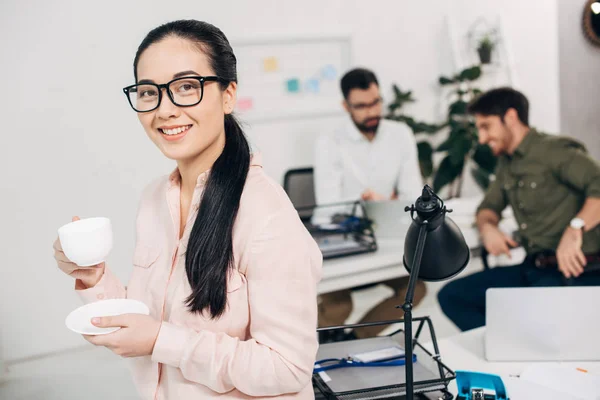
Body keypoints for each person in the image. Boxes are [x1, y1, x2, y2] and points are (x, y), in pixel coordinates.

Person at [53, 20, 322, 399]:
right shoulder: (153, 200)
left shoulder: (267, 216)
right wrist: (94, 276)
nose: (164, 110)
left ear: (228, 95)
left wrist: (162, 341)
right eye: (149, 92)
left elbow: (287, 368)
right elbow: (152, 317)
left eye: (185, 87)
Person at [438, 87, 600, 331]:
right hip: (534, 268)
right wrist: (488, 227)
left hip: (575, 273)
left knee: (538, 329)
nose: (481, 139)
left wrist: (575, 228)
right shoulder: (507, 163)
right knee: (453, 296)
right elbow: (488, 206)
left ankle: (523, 351)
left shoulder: (555, 151)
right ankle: (511, 350)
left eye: (486, 126)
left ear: (510, 118)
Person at [313, 68, 426, 340]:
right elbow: (328, 206)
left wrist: (385, 203)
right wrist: (363, 207)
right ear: (346, 106)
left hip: (386, 240)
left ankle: (354, 341)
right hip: (342, 239)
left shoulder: (400, 134)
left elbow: (414, 196)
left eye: (376, 102)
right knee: (339, 305)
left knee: (414, 290)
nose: (371, 111)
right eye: (361, 106)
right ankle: (318, 352)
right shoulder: (329, 142)